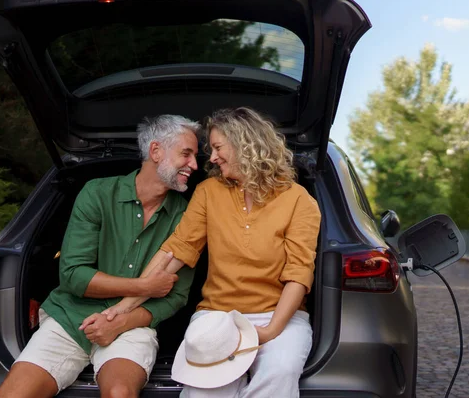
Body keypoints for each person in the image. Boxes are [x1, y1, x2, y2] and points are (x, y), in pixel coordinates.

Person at [101, 107, 322, 398]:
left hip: (279, 315)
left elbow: (298, 275)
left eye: (217, 147)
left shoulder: (298, 200)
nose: (212, 157)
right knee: (205, 390)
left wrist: (269, 331)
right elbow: (175, 252)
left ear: (246, 144)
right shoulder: (208, 191)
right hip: (218, 315)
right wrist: (123, 306)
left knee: (278, 375)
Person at [0, 114, 201, 398]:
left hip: (133, 325)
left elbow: (176, 296)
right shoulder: (97, 193)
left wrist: (120, 320)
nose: (195, 165)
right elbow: (73, 275)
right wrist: (143, 287)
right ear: (156, 151)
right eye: (186, 154)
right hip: (69, 317)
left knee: (119, 393)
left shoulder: (187, 215)